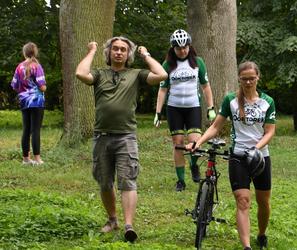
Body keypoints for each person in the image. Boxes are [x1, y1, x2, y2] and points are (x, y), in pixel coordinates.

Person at [75, 37, 167, 242]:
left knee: (127, 181)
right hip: (102, 137)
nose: (118, 52)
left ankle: (128, 225)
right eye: (115, 49)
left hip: (126, 136)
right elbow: (81, 73)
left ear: (128, 55)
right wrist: (91, 51)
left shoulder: (136, 74)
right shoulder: (99, 74)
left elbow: (161, 74)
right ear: (109, 53)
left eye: (123, 50)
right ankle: (112, 219)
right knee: (105, 182)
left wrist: (145, 55)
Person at [186, 61, 276, 250]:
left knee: (263, 202)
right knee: (243, 200)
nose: (249, 82)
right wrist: (198, 142)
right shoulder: (231, 101)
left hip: (260, 158)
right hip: (238, 157)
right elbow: (216, 126)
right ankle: (247, 247)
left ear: (258, 77)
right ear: (239, 79)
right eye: (245, 79)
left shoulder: (267, 102)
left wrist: (256, 148)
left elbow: (269, 131)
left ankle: (261, 233)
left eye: (252, 78)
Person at [154, 29, 216, 191]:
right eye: (178, 48)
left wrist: (211, 107)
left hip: (193, 107)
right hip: (174, 108)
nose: (182, 51)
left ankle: (194, 165)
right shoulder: (167, 65)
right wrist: (158, 112)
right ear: (173, 49)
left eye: (185, 47)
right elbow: (162, 90)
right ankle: (181, 180)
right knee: (178, 144)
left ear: (189, 46)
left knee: (195, 143)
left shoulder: (198, 62)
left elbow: (206, 86)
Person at [11, 42, 47, 165]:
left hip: (24, 101)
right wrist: (43, 88)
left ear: (24, 53)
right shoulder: (37, 67)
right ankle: (37, 159)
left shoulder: (19, 67)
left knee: (26, 129)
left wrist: (24, 91)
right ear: (35, 52)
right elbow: (42, 87)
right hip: (37, 101)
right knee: (35, 130)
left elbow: (14, 86)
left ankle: (26, 159)